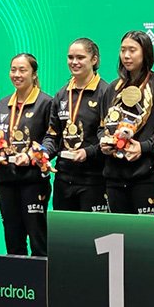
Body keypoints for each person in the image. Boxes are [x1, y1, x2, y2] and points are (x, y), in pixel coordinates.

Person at [99, 31, 154, 214]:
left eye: (132, 50)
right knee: (117, 232)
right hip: (114, 177)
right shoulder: (113, 88)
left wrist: (143, 147)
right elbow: (102, 127)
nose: (126, 55)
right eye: (123, 50)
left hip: (145, 176)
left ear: (145, 52)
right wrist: (105, 142)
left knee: (147, 233)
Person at [0, 54, 53, 257]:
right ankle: (16, 277)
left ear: (34, 74)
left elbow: (52, 139)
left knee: (38, 237)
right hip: (6, 178)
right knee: (13, 238)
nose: (16, 74)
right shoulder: (3, 104)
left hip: (33, 179)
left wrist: (31, 155)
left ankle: (42, 277)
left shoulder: (46, 103)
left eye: (22, 70)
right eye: (13, 70)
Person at [42, 38, 110, 212]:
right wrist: (43, 153)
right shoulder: (61, 94)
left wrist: (88, 152)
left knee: (94, 231)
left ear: (94, 60)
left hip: (94, 179)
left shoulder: (106, 92)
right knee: (65, 230)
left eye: (80, 57)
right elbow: (53, 135)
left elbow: (109, 137)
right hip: (63, 179)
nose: (74, 62)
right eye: (70, 57)